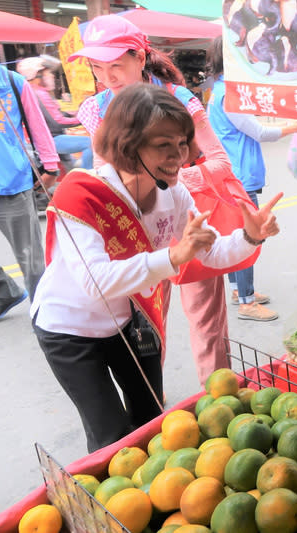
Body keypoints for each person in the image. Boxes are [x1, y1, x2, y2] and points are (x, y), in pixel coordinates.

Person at [31, 84, 281, 452]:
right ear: (129, 145)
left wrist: (249, 236)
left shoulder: (174, 194)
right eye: (164, 145)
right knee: (112, 439)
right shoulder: (80, 194)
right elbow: (96, 282)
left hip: (127, 320)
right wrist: (173, 257)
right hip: (69, 330)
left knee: (151, 419)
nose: (179, 156)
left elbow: (208, 253)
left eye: (182, 143)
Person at [70, 15, 245, 387]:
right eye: (98, 67)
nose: (107, 77)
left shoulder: (179, 99)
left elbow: (219, 162)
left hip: (189, 221)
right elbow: (105, 177)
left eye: (116, 64)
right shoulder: (95, 109)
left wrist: (169, 181)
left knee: (207, 327)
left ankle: (220, 403)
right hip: (138, 235)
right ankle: (152, 414)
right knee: (146, 332)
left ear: (140, 56)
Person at [205, 36, 297, 321]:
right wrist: (293, 126)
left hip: (232, 174)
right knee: (249, 235)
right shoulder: (229, 95)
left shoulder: (221, 91)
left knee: (237, 233)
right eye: (247, 53)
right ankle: (247, 302)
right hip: (239, 178)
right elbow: (260, 132)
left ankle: (238, 290)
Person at [0, 19, 60, 323]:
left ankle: (47, 316)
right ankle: (4, 292)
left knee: (29, 259)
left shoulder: (12, 83)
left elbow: (37, 126)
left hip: (10, 183)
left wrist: (50, 164)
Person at [16, 56, 93, 170]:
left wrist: (69, 114)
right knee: (91, 144)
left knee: (71, 168)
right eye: (48, 73)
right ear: (36, 76)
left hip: (48, 137)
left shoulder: (36, 92)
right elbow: (57, 121)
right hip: (52, 139)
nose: (52, 76)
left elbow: (50, 116)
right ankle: (87, 178)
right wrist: (83, 118)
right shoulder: (40, 94)